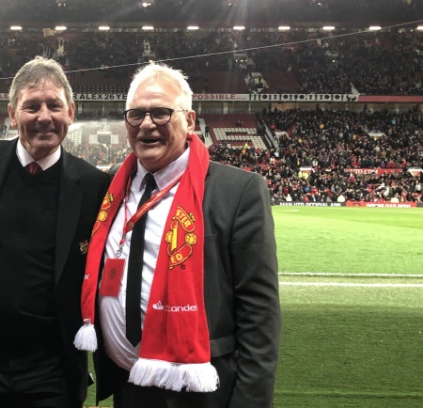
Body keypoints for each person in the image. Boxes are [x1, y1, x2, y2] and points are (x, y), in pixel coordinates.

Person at [73, 62, 281, 408]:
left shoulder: (237, 191)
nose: (147, 124)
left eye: (161, 113)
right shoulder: (110, 186)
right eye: (136, 114)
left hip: (202, 389)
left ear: (190, 121)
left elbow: (259, 313)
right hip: (128, 388)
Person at [0, 56, 109, 408]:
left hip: (52, 369)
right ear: (12, 113)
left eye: (54, 105)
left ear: (71, 111)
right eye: (31, 106)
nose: (44, 117)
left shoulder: (95, 187)